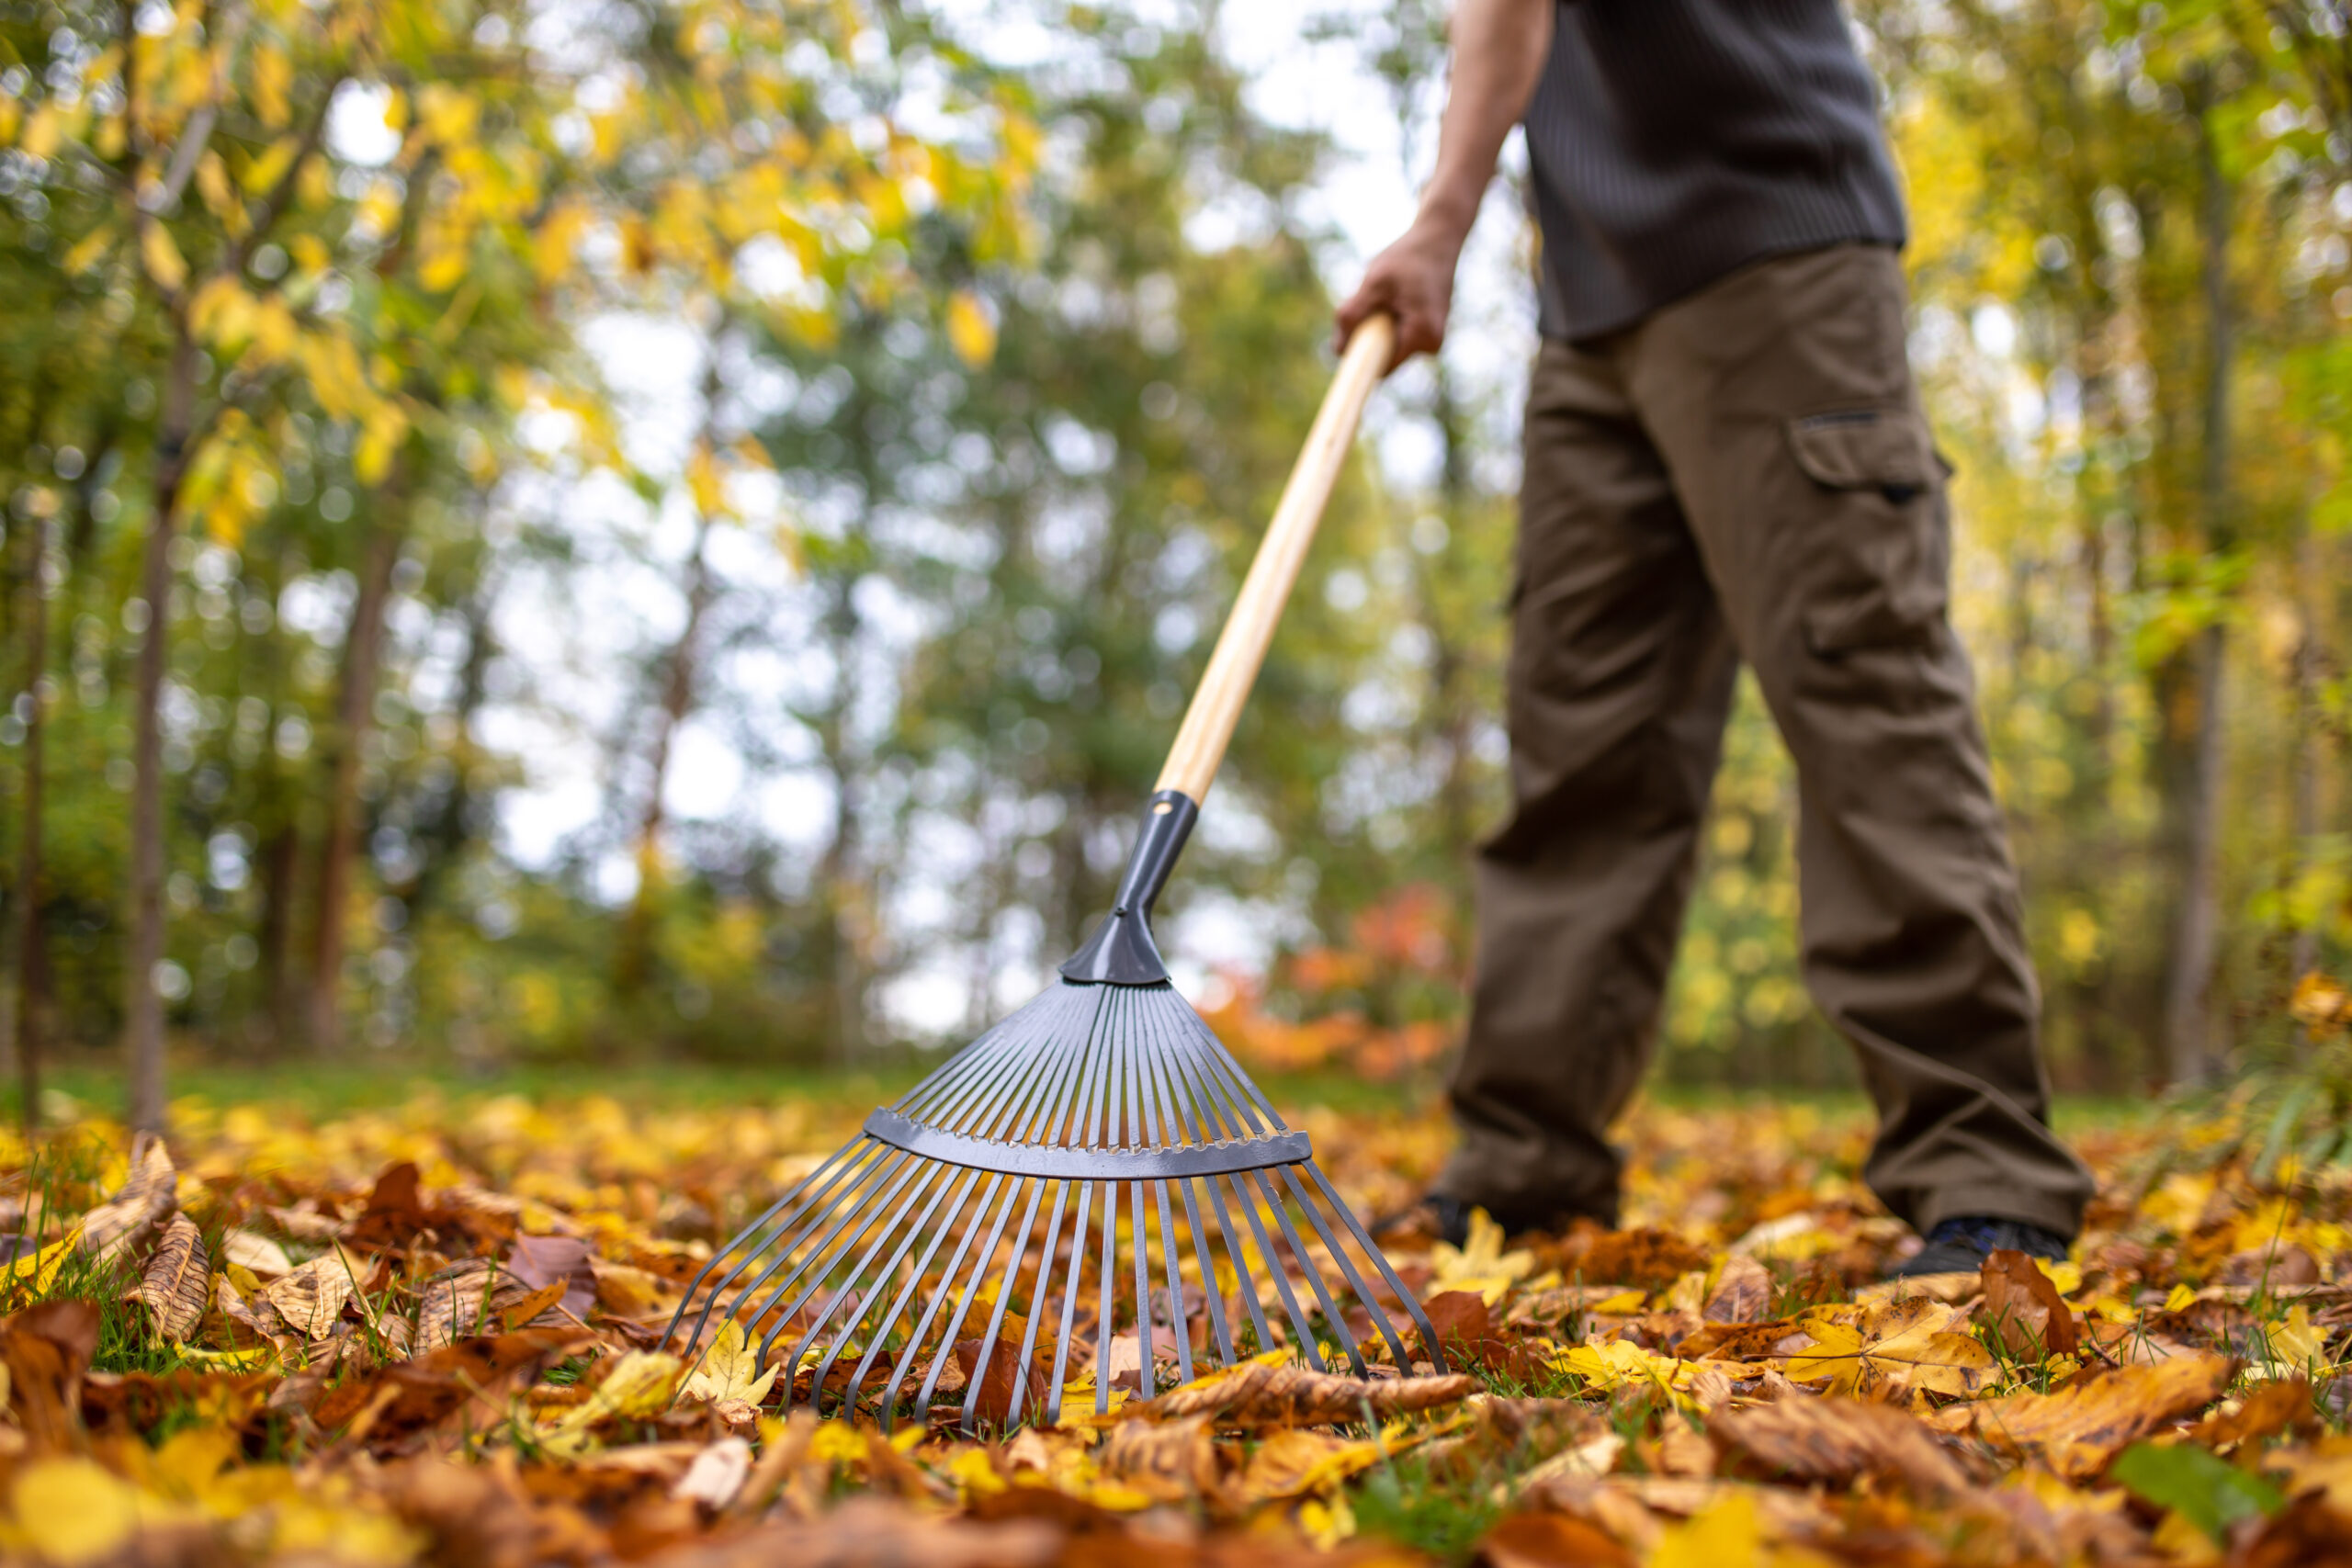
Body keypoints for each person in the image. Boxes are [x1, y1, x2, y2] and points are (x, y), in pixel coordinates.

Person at [1338, 0, 2096, 1277]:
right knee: (1582, 750)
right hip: (1588, 314)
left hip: (1776, 248)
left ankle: (1987, 1174)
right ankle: (1525, 1168)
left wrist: (1439, 221)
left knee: (1864, 699)